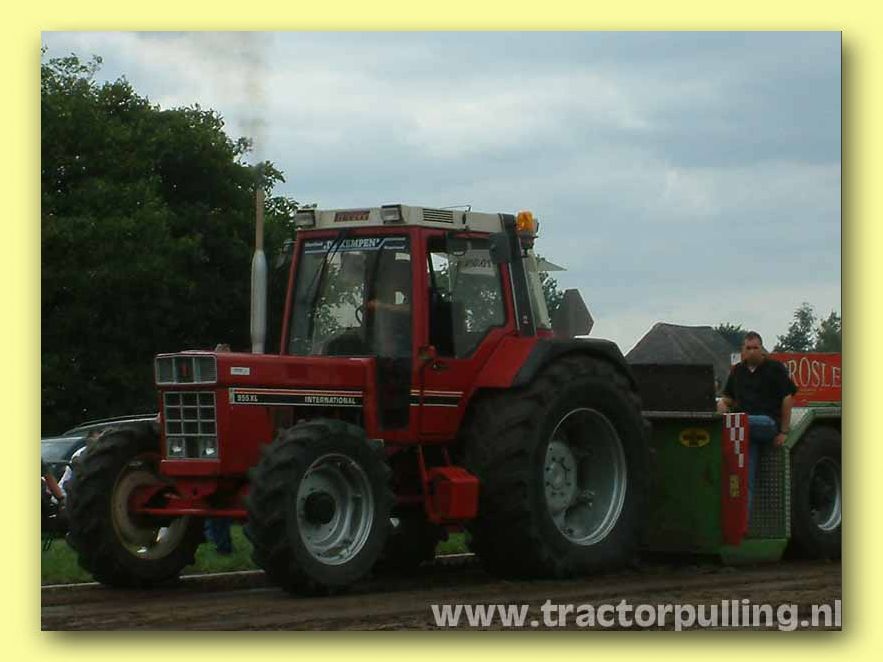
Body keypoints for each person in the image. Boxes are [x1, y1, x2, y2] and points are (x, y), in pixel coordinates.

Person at [717, 331, 798, 517]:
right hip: (745, 432)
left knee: (740, 421)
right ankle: (744, 523)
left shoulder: (775, 368)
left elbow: (787, 398)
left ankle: (724, 425)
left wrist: (784, 432)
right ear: (742, 350)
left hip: (767, 423)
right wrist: (721, 406)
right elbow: (728, 399)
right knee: (746, 479)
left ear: (762, 349)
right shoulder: (737, 371)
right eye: (748, 348)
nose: (752, 351)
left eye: (755, 348)